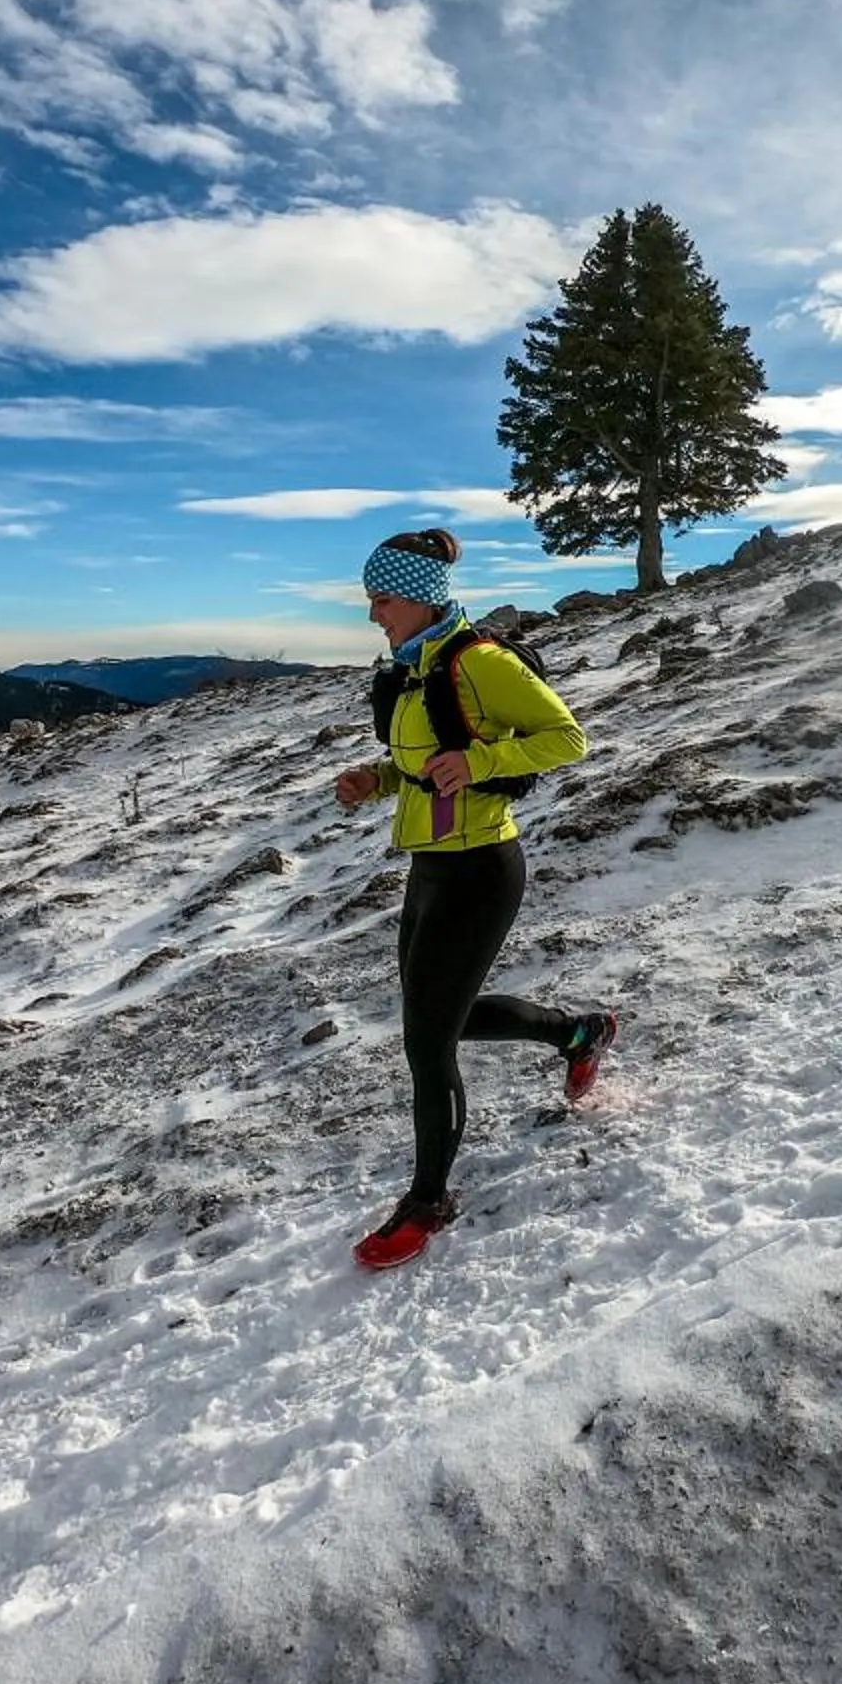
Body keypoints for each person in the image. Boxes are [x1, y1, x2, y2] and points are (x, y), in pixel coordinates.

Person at [331, 528, 617, 1271]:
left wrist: (484, 759)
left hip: (483, 866)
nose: (372, 616)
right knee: (435, 1018)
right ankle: (576, 1033)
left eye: (381, 600)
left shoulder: (480, 664)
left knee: (428, 1040)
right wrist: (378, 779)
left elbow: (568, 737)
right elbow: (426, 765)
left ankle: (427, 1201)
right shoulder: (408, 671)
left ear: (422, 597)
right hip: (430, 865)